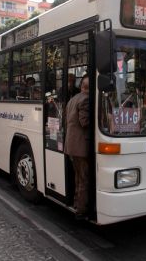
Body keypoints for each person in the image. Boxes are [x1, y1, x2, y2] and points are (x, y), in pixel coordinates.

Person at [64, 75, 90, 219]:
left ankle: (76, 204)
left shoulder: (72, 99)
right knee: (83, 179)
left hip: (72, 145)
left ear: (81, 87)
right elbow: (84, 122)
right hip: (81, 146)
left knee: (78, 178)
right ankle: (81, 210)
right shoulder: (85, 99)